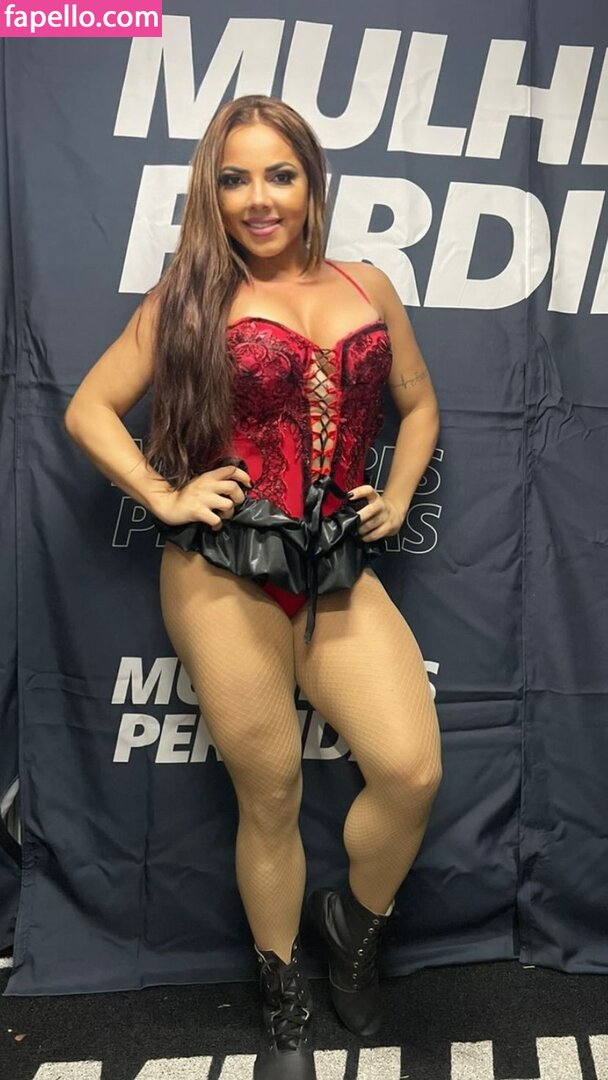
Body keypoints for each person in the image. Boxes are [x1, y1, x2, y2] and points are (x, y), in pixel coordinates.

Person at [64, 93, 443, 1080]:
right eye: (234, 179)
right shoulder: (188, 296)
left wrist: (399, 493)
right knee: (270, 795)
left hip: (336, 567)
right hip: (221, 573)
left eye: (279, 174)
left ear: (312, 180)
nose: (258, 198)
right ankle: (285, 1004)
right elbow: (90, 409)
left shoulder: (368, 284)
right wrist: (165, 494)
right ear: (212, 190)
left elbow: (417, 403)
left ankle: (352, 924)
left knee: (410, 771)